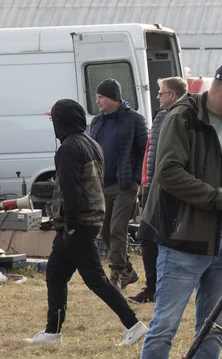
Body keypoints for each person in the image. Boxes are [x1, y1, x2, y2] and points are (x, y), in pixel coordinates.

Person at [136, 60, 222, 359]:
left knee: (213, 330)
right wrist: (218, 198)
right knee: (165, 327)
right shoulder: (184, 117)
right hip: (185, 241)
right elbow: (168, 173)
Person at [26, 98, 148, 345]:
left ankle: (134, 325)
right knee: (56, 274)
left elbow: (71, 188)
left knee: (96, 279)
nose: (53, 124)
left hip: (77, 223)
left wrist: (69, 223)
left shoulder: (68, 148)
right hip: (87, 219)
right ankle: (52, 332)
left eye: (54, 120)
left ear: (61, 121)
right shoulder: (90, 142)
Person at [129, 77, 187, 305]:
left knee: (149, 237)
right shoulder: (166, 116)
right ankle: (157, 287)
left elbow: (160, 158)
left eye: (161, 93)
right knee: (154, 238)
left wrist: (150, 186)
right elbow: (150, 154)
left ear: (172, 95)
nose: (158, 96)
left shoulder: (170, 117)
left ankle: (155, 289)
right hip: (154, 185)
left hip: (159, 188)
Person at [87, 78, 148, 290]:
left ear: (113, 97)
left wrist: (135, 178)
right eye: (97, 97)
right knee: (104, 231)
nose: (98, 101)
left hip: (125, 184)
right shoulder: (97, 121)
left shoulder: (134, 120)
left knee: (117, 228)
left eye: (101, 97)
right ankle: (128, 270)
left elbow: (145, 150)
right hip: (103, 184)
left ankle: (114, 277)